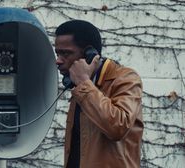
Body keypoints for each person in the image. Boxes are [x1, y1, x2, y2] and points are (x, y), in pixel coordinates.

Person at [55, 20, 144, 168]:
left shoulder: (125, 78)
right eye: (57, 53)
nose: (58, 61)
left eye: (66, 53)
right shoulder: (81, 87)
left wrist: (84, 83)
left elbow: (118, 127)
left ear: (89, 54)